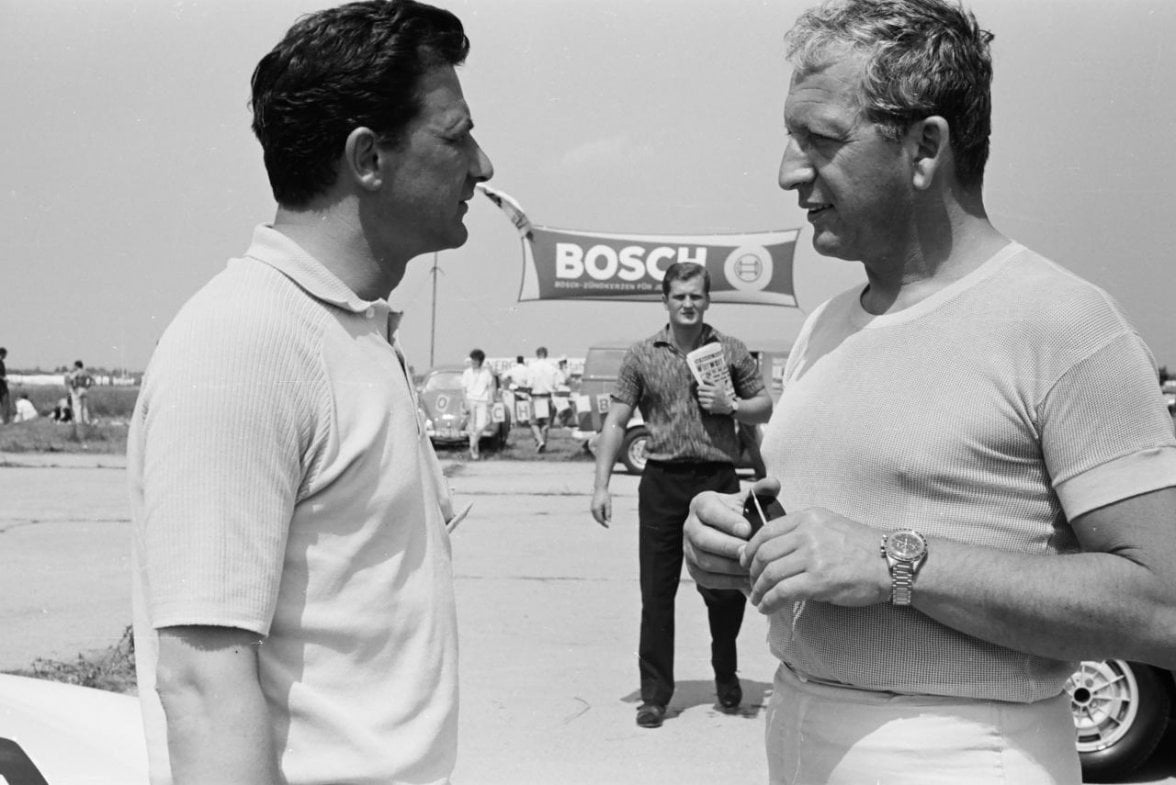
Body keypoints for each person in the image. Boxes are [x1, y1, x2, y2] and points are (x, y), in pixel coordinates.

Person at [683, 1, 1176, 782]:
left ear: (925, 147)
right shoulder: (826, 326)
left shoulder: (1065, 323)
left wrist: (894, 561)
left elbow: (1165, 605)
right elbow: (827, 544)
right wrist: (745, 549)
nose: (788, 170)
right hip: (799, 730)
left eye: (820, 139)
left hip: (965, 751)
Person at [128, 2, 493, 783]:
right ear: (368, 157)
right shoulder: (247, 343)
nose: (483, 165)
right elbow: (200, 683)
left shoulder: (353, 334)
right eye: (456, 135)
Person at [590, 261, 773, 729]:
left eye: (696, 296)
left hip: (718, 480)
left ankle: (726, 675)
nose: (688, 304)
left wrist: (730, 404)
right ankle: (655, 695)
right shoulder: (641, 355)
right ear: (665, 301)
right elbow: (616, 420)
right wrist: (601, 484)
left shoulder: (729, 351)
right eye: (679, 296)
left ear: (708, 299)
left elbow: (764, 405)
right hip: (663, 482)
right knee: (656, 593)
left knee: (725, 588)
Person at [461, 348, 495, 460]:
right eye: (472, 360)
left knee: (482, 424)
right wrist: (465, 402)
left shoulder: (486, 372)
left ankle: (472, 444)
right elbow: (463, 389)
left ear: (480, 361)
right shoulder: (467, 372)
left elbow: (491, 387)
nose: (473, 363)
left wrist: (491, 399)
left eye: (476, 361)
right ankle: (474, 452)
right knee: (471, 427)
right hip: (470, 400)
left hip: (483, 401)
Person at [527, 346, 563, 452]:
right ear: (546, 354)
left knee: (534, 423)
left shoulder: (532, 367)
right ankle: (543, 445)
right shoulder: (552, 367)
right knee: (545, 424)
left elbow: (529, 383)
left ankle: (540, 441)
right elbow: (557, 385)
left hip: (536, 396)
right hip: (547, 396)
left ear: (537, 354)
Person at [64, 360, 93, 424]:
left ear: (77, 366)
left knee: (77, 406)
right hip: (85, 389)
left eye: (74, 365)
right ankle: (86, 420)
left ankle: (78, 421)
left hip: (78, 389)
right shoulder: (86, 372)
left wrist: (73, 387)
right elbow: (92, 380)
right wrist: (88, 386)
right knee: (84, 406)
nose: (73, 367)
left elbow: (71, 379)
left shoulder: (77, 372)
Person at [0, 347, 9, 424]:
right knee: (5, 403)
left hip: (3, 385)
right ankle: (5, 421)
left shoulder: (2, 363)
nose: (6, 356)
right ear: (2, 354)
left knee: (5, 403)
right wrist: (3, 379)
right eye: (5, 354)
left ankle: (5, 420)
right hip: (1, 386)